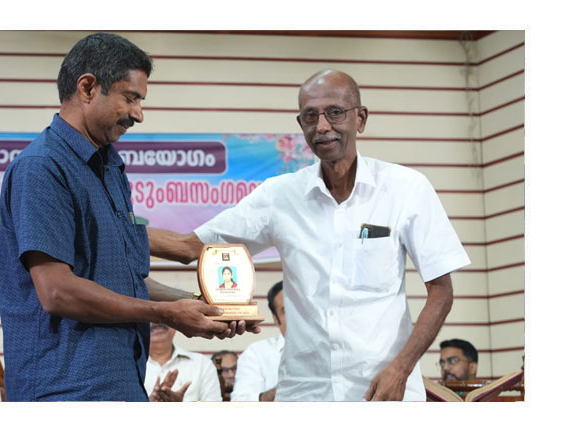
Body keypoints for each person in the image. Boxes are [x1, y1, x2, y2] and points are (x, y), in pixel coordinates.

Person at [147, 69, 471, 401]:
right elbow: (190, 247)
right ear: (300, 125)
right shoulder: (279, 195)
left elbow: (441, 292)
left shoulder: (406, 188)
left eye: (335, 112)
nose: (323, 126)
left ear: (360, 119)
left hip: (385, 390)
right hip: (305, 393)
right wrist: (108, 229)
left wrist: (401, 369)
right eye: (310, 116)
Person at [0, 33, 257, 402]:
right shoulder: (42, 168)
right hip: (65, 390)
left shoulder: (108, 168)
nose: (138, 113)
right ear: (87, 87)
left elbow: (120, 278)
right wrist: (168, 314)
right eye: (130, 97)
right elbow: (58, 291)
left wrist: (199, 306)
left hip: (118, 382)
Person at [231, 281, 286, 401]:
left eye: (299, 308)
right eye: (285, 311)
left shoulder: (330, 348)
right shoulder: (256, 353)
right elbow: (240, 402)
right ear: (275, 319)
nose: (295, 315)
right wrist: (286, 389)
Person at [145, 323, 222, 402]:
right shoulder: (132, 367)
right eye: (150, 316)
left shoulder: (203, 364)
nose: (156, 322)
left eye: (162, 315)